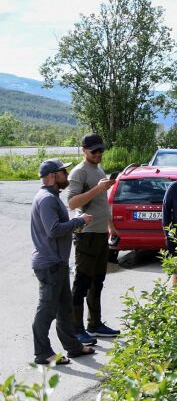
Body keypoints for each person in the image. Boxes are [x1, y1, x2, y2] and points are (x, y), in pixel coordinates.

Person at [31, 159, 95, 365]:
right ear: (52, 176)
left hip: (57, 262)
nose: (66, 175)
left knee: (64, 308)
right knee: (47, 310)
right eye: (63, 172)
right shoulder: (47, 199)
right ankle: (42, 353)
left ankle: (73, 347)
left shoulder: (50, 196)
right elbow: (54, 229)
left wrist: (76, 224)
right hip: (50, 264)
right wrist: (79, 221)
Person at [66, 133, 120, 344]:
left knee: (98, 281)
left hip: (100, 234)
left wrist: (110, 226)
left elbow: (101, 202)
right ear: (84, 150)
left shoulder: (98, 169)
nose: (98, 154)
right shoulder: (78, 172)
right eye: (94, 150)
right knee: (82, 282)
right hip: (86, 235)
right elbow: (72, 203)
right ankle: (76, 329)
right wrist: (98, 188)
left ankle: (95, 324)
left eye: (101, 150)